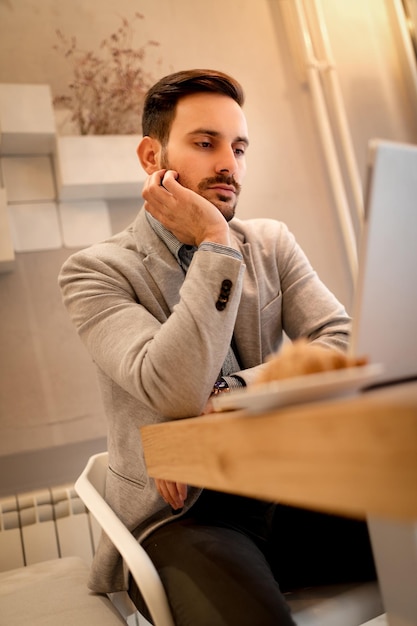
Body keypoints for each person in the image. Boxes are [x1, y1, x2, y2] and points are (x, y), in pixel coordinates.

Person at [59, 69, 376, 626]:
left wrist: (232, 392)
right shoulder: (96, 271)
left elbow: (341, 341)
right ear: (151, 157)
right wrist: (215, 243)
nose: (229, 163)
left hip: (286, 490)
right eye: (206, 144)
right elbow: (172, 386)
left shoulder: (273, 242)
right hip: (181, 520)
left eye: (239, 147)